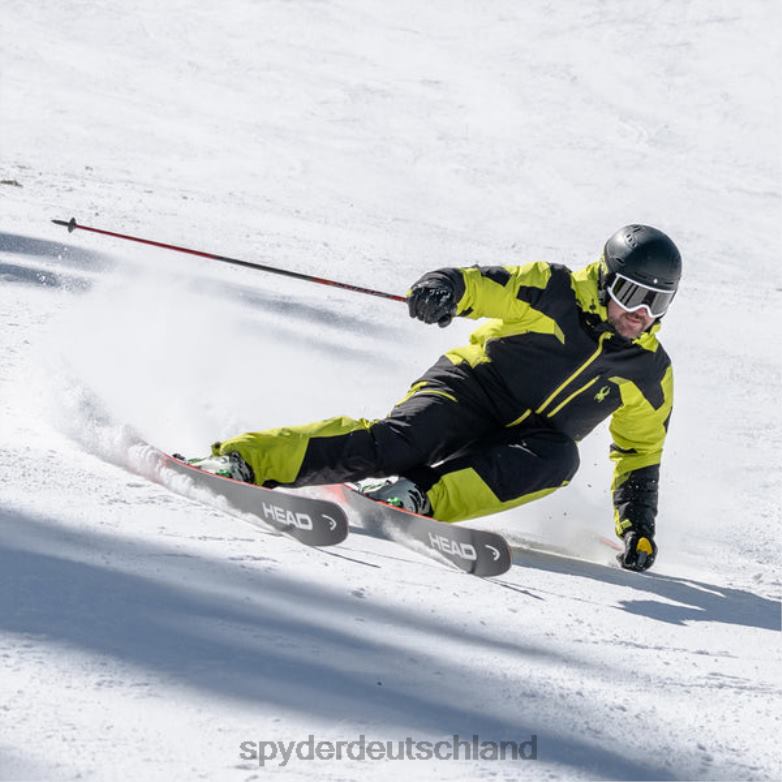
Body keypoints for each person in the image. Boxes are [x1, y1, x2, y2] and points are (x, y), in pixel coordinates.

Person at [192, 224, 680, 572]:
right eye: (629, 292)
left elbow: (640, 454)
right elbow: (481, 284)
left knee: (559, 459)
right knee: (398, 444)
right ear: (604, 277)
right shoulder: (553, 290)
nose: (639, 312)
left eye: (655, 302)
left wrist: (637, 526)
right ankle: (243, 461)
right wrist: (442, 289)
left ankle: (418, 498)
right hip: (470, 390)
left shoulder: (649, 372)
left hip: (527, 442)